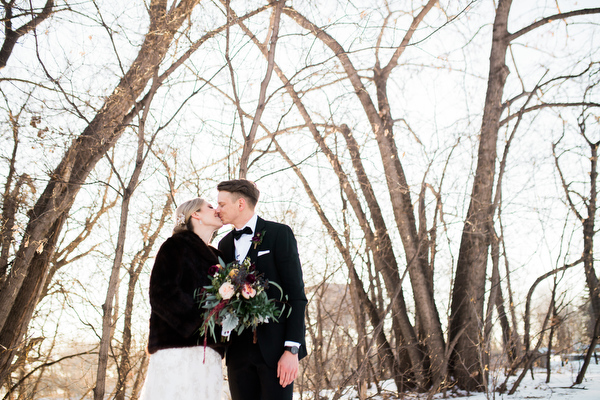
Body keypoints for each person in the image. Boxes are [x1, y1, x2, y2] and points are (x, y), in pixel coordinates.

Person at [216, 179, 307, 400]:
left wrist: (292, 349)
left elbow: (296, 295)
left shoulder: (279, 234)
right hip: (237, 353)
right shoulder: (224, 244)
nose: (217, 210)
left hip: (275, 352)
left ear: (240, 204)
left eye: (221, 204)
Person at [139, 197, 226, 400]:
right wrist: (199, 322)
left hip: (210, 353)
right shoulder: (175, 246)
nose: (217, 210)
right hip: (177, 347)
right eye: (210, 207)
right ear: (195, 214)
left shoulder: (220, 258)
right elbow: (162, 292)